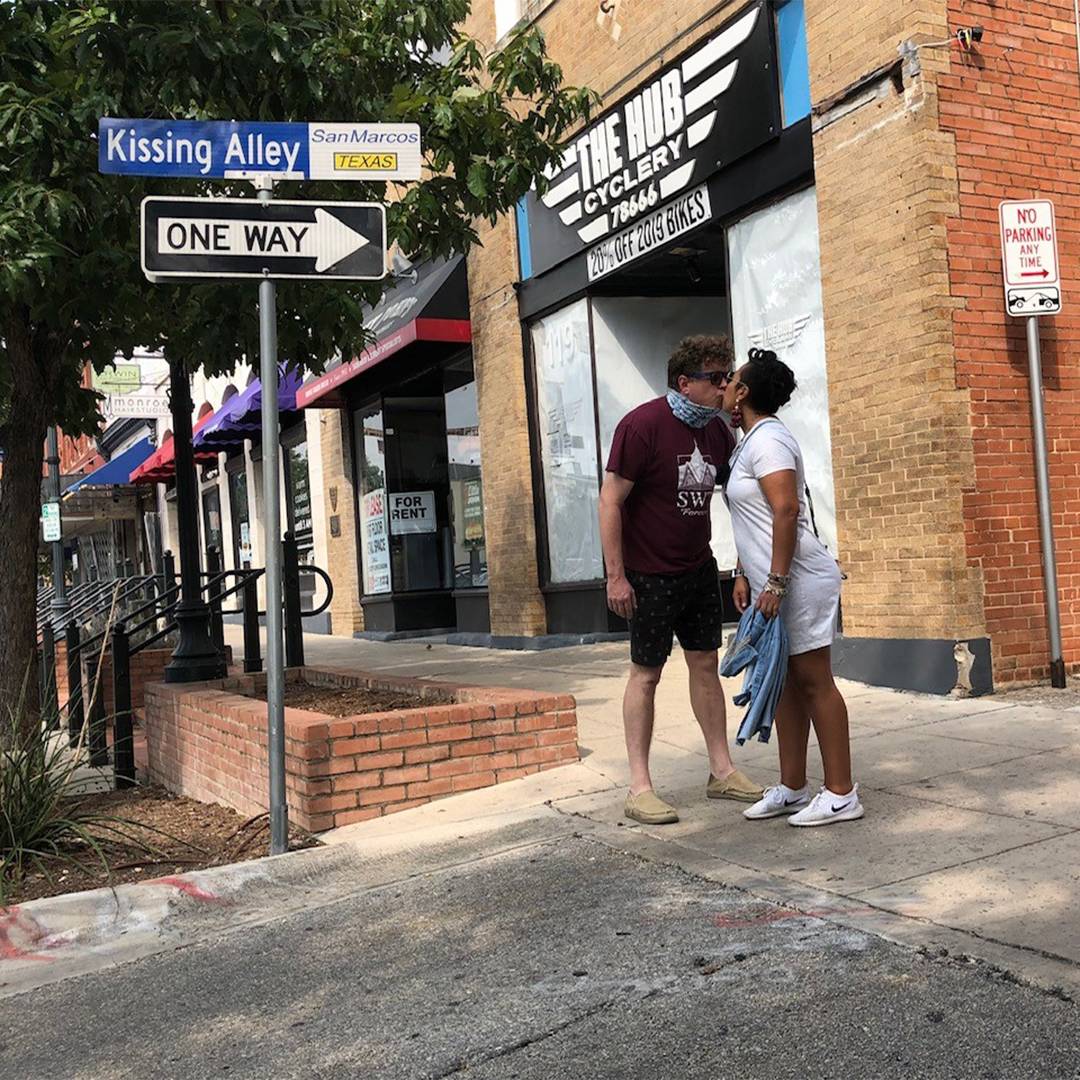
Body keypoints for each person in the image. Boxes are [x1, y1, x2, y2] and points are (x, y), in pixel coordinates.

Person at [599, 335, 763, 825]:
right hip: (648, 575)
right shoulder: (642, 426)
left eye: (727, 376)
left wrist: (737, 568)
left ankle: (721, 771)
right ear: (684, 382)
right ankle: (639, 787)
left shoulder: (717, 434)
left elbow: (736, 502)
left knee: (705, 664)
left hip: (697, 569)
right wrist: (616, 577)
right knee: (646, 675)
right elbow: (610, 501)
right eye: (716, 378)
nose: (725, 386)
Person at [720, 347, 863, 826]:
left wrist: (777, 582)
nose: (723, 386)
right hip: (772, 583)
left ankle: (842, 793)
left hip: (797, 580)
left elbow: (785, 510)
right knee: (783, 684)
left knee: (812, 681)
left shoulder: (769, 441)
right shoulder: (751, 441)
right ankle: (792, 787)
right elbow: (755, 516)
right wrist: (743, 569)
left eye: (730, 380)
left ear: (743, 392)